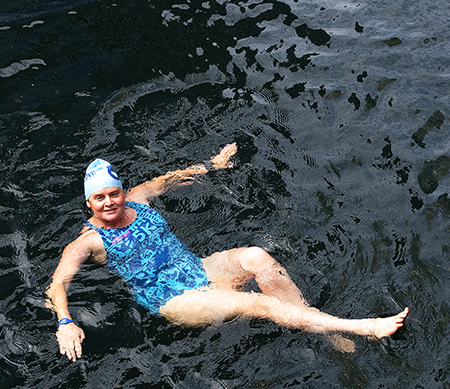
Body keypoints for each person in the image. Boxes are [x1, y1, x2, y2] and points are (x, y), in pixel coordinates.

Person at [46, 143, 409, 361]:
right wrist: (65, 321)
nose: (109, 202)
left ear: (122, 191)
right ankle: (364, 327)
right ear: (88, 202)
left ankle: (318, 325)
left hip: (196, 269)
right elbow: (57, 284)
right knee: (259, 305)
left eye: (113, 193)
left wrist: (212, 166)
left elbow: (171, 179)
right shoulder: (89, 240)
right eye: (99, 198)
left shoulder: (138, 199)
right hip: (173, 299)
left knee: (257, 257)